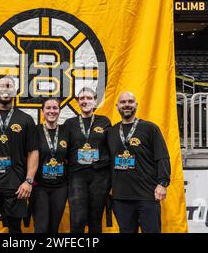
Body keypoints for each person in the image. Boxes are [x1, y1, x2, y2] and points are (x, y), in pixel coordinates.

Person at [0, 75, 39, 233]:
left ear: (15, 91)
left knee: (15, 229)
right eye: (2, 86)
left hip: (15, 186)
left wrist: (29, 181)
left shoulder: (26, 119)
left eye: (9, 86)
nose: (5, 89)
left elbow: (33, 152)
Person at [107, 91, 171, 233]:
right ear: (117, 106)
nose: (127, 105)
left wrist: (163, 183)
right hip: (121, 197)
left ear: (136, 105)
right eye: (123, 102)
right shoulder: (111, 132)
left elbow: (163, 157)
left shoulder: (150, 128)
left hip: (147, 195)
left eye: (130, 101)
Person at [64, 87, 112, 233]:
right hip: (77, 175)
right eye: (82, 98)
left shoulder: (104, 121)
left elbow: (111, 147)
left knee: (95, 219)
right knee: (77, 219)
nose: (85, 101)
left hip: (100, 176)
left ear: (95, 101)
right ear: (78, 101)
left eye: (89, 98)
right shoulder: (69, 123)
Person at [30, 97, 68, 233]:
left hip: (60, 187)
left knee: (53, 228)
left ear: (59, 110)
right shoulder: (34, 131)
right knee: (41, 227)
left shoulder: (66, 131)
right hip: (40, 186)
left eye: (55, 108)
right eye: (48, 108)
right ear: (42, 111)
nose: (52, 111)